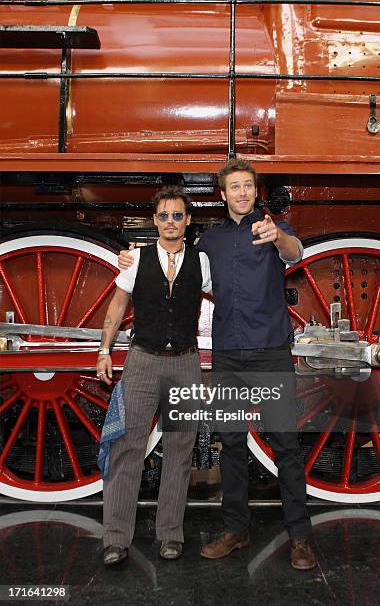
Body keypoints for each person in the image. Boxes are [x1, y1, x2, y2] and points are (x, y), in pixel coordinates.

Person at [119, 159, 315, 570]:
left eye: (248, 186)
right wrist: (132, 259)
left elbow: (295, 253)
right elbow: (174, 257)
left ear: (255, 192)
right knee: (231, 443)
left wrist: (278, 234)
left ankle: (300, 537)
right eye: (234, 187)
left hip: (270, 351)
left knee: (285, 445)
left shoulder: (273, 230)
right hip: (228, 353)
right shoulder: (209, 243)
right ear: (223, 195)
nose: (242, 193)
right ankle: (236, 529)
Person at [97, 187, 212, 565]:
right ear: (155, 221)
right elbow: (116, 308)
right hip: (142, 361)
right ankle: (115, 539)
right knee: (126, 449)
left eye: (177, 216)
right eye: (164, 216)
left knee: (179, 452)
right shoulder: (136, 260)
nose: (170, 223)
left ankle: (170, 535)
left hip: (185, 362)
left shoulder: (202, 262)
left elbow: (230, 298)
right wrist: (103, 351)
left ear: (188, 221)